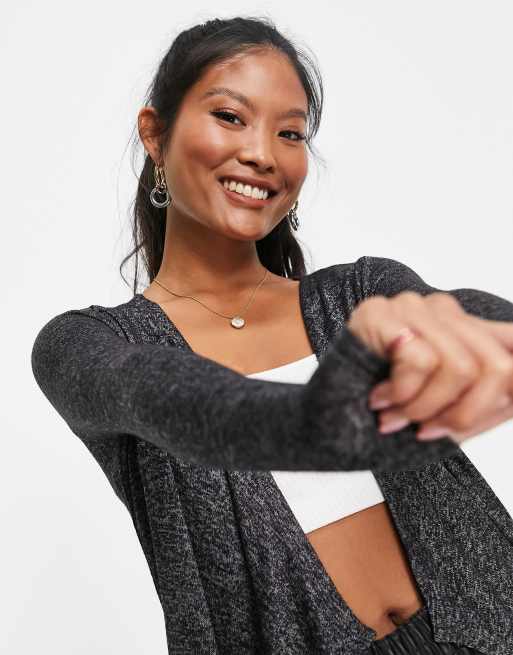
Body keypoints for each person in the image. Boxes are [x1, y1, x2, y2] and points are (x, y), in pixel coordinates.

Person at [31, 16, 513, 655]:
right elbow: (205, 409)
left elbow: (466, 318)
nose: (262, 153)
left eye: (290, 133)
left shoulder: (361, 293)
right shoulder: (89, 346)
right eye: (230, 117)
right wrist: (330, 409)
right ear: (155, 134)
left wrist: (484, 333)